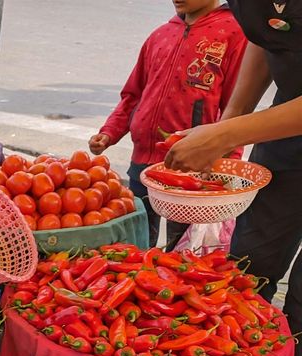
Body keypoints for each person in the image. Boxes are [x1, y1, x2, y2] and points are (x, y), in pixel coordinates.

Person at [165, 0, 302, 356]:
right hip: (283, 138)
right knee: (248, 271)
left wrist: (227, 132)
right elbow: (270, 36)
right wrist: (231, 121)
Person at [89, 0, 246, 248]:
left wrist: (226, 161)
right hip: (143, 162)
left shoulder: (234, 35)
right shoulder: (160, 35)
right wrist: (110, 132)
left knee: (181, 248)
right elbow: (133, 95)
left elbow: (236, 108)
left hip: (191, 166)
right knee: (136, 242)